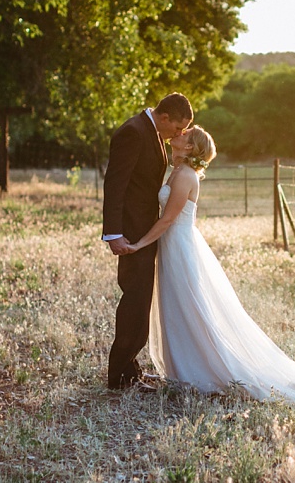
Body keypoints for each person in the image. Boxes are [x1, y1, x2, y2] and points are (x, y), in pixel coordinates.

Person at [125, 126, 295, 414]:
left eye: (184, 134)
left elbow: (166, 221)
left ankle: (204, 369)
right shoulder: (176, 169)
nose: (177, 133)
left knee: (191, 305)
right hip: (171, 246)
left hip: (180, 246)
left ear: (189, 147)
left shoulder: (186, 176)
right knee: (175, 305)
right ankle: (182, 370)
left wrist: (138, 244)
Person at [102, 93, 193, 391]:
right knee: (134, 302)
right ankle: (120, 377)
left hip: (146, 233)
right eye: (177, 128)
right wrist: (113, 233)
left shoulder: (152, 134)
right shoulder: (133, 131)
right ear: (164, 117)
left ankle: (130, 369)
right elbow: (115, 184)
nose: (178, 135)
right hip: (131, 235)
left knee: (140, 302)